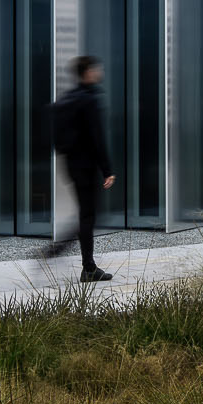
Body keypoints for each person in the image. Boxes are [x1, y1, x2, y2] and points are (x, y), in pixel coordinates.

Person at [46, 55, 115, 282]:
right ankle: (87, 267)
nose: (99, 72)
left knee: (87, 214)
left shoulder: (68, 98)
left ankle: (74, 258)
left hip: (72, 165)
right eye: (96, 69)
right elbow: (97, 137)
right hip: (87, 166)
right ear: (87, 72)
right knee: (88, 215)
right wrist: (107, 170)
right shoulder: (89, 99)